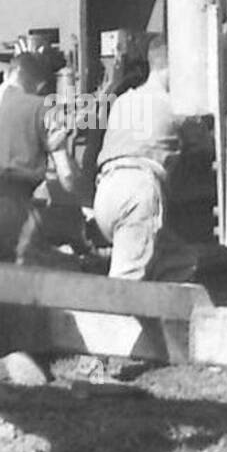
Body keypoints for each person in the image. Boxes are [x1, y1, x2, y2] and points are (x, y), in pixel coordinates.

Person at [91, 35, 198, 281]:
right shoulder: (175, 106)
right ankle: (112, 319)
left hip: (106, 194)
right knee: (125, 284)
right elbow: (202, 142)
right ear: (172, 70)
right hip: (138, 194)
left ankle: (158, 318)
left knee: (181, 261)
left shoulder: (123, 101)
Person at [0, 49, 78, 266]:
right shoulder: (40, 108)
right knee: (64, 269)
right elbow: (67, 179)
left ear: (7, 74)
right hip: (8, 215)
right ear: (41, 87)